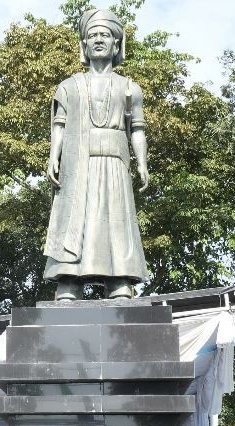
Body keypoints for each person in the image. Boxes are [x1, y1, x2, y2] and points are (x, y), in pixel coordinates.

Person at [43, 8, 148, 301]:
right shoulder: (68, 87)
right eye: (92, 36)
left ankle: (119, 281)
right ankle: (68, 281)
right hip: (79, 164)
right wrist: (54, 156)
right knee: (75, 218)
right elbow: (59, 126)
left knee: (115, 219)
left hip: (114, 162)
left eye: (105, 35)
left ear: (117, 44)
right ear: (84, 45)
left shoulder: (130, 88)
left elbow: (137, 129)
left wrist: (142, 163)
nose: (98, 40)